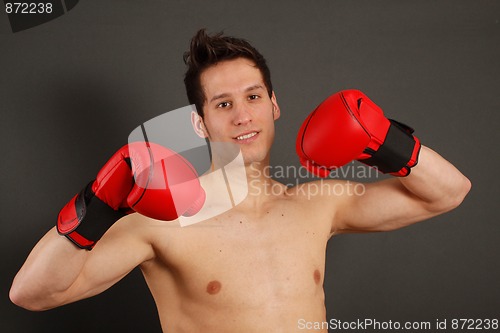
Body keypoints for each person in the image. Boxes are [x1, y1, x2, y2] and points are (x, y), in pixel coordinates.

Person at [10, 29, 471, 332]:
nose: (243, 115)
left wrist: (385, 138)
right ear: (200, 122)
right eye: (223, 104)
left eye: (253, 97)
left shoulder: (318, 204)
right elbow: (32, 294)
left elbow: (449, 193)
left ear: (274, 104)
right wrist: (100, 201)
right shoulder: (162, 219)